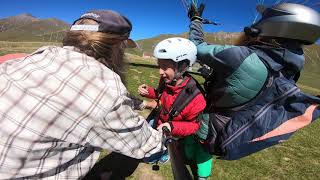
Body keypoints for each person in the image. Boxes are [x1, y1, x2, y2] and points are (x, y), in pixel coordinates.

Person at [0, 10, 165, 179]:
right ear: (117, 46)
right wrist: (165, 137)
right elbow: (145, 143)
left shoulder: (26, 60)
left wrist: (143, 104)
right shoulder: (105, 91)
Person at [188, 2, 320, 160]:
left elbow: (195, 46)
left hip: (209, 131)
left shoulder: (240, 56)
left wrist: (195, 20)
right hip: (234, 134)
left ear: (270, 25)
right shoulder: (290, 68)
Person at [138, 37, 213, 179]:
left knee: (147, 157)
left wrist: (172, 127)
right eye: (159, 65)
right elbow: (161, 95)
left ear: (183, 66)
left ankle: (164, 155)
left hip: (172, 134)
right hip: (161, 124)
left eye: (165, 66)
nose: (160, 72)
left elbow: (195, 126)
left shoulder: (196, 98)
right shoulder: (167, 80)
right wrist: (149, 91)